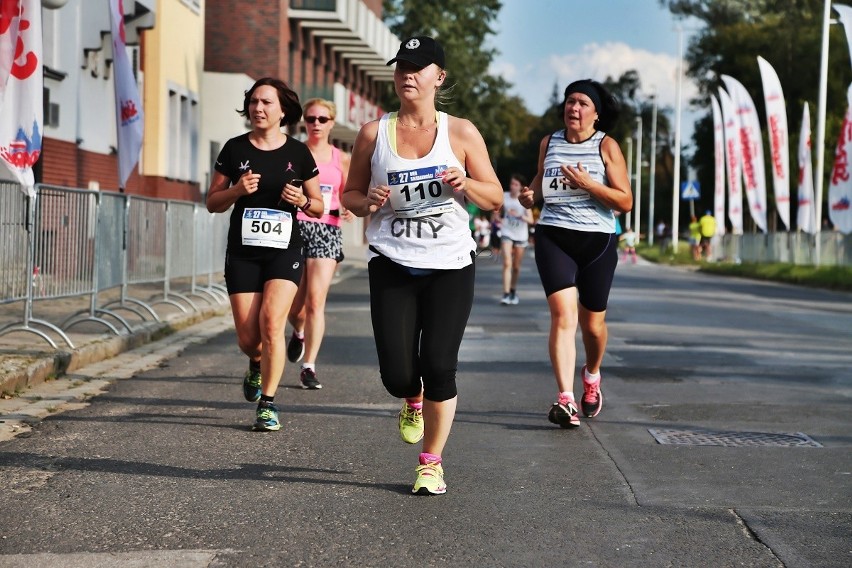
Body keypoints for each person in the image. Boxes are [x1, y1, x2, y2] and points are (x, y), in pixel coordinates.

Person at [341, 36, 503, 495]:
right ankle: (411, 399)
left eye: (418, 67)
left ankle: (430, 462)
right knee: (396, 375)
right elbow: (348, 196)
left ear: (439, 76)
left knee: (439, 364)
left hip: (450, 263)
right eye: (401, 67)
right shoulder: (375, 134)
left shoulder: (462, 133)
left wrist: (466, 181)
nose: (407, 75)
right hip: (392, 260)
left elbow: (493, 198)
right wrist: (366, 199)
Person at [206, 77, 324, 432]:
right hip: (243, 252)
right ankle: (256, 364)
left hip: (284, 250)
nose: (258, 108)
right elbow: (212, 202)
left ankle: (268, 403)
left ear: (283, 110)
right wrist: (237, 190)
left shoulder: (298, 153)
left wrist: (302, 201)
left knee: (272, 322)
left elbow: (318, 205)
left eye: (266, 103)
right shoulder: (234, 149)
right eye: (254, 101)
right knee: (248, 337)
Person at [518, 78, 632, 429]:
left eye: (582, 103)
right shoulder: (549, 141)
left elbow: (625, 201)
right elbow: (540, 179)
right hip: (554, 236)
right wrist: (530, 195)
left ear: (596, 114)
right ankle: (565, 398)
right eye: (570, 101)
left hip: (597, 242)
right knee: (562, 316)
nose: (574, 108)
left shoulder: (606, 146)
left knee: (593, 325)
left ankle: (592, 374)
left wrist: (591, 185)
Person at [285, 98, 352, 390]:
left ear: (331, 123)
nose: (315, 124)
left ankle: (308, 366)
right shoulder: (293, 153)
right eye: (310, 119)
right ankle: (298, 330)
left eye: (322, 119)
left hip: (327, 230)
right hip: (296, 228)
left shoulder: (341, 158)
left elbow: (350, 192)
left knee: (315, 300)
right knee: (293, 303)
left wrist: (349, 205)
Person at [496, 173, 534, 305]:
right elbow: (496, 210)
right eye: (512, 184)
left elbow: (531, 220)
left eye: (516, 184)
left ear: (521, 187)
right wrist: (498, 219)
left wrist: (518, 215)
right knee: (507, 263)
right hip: (507, 231)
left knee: (516, 267)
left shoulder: (523, 198)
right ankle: (505, 293)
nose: (513, 186)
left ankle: (513, 291)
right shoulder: (505, 197)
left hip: (521, 235)